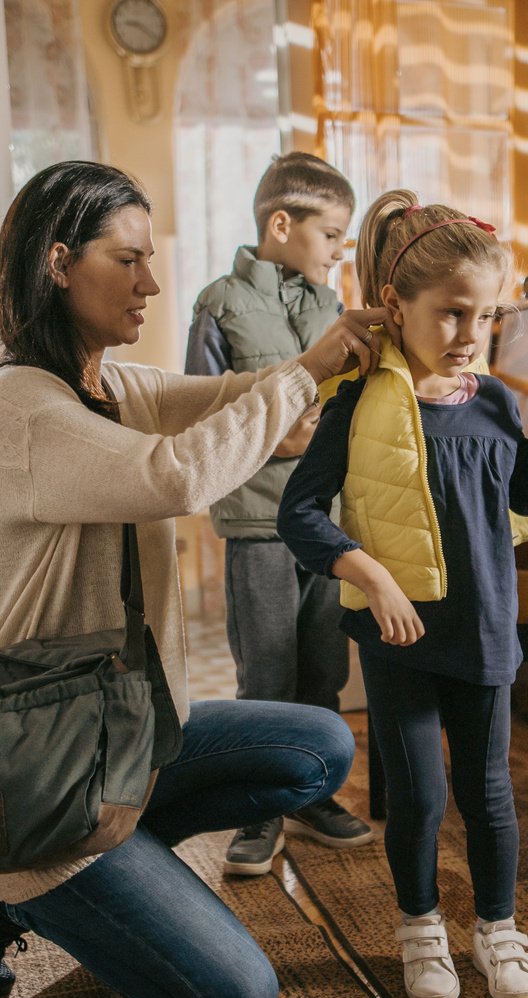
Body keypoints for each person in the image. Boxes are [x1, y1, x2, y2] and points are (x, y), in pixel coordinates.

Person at [0, 161, 386, 998]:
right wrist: (305, 376)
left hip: (125, 745)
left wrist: (327, 360)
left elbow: (227, 400)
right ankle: (4, 883)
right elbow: (174, 475)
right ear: (59, 263)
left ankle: (120, 861)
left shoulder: (118, 387)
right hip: (44, 779)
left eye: (150, 259)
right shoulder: (17, 408)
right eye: (126, 259)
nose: (152, 282)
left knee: (319, 747)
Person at [277, 190, 528, 998]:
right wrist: (370, 576)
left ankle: (496, 929)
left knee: (488, 795)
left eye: (484, 318)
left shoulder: (489, 400)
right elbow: (298, 512)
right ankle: (420, 930)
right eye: (451, 314)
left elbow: (524, 494)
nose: (469, 336)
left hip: (483, 626)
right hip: (400, 638)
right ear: (395, 306)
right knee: (417, 796)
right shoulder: (356, 404)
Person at [184, 152, 376, 876]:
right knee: (265, 675)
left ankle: (311, 795)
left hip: (328, 525)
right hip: (260, 524)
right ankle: (256, 809)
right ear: (281, 223)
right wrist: (282, 434)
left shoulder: (332, 306)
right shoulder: (220, 303)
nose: (339, 250)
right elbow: (202, 411)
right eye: (332, 234)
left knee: (323, 669)